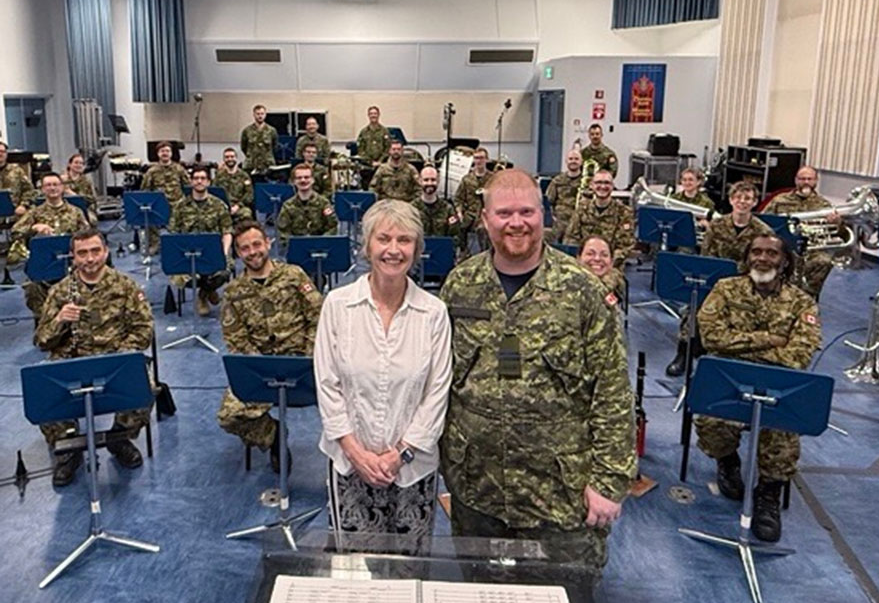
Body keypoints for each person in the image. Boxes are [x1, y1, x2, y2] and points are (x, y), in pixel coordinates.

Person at [439, 168, 636, 572]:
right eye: (504, 213)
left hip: (560, 495)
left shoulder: (582, 290)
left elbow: (613, 391)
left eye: (527, 212)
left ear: (544, 215)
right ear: (485, 219)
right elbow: (440, 383)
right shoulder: (461, 286)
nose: (516, 223)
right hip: (477, 487)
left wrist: (609, 482)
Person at [314, 200, 451, 549]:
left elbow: (437, 393)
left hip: (413, 468)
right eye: (383, 239)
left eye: (404, 240)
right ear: (366, 245)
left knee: (411, 567)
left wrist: (399, 454)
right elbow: (327, 385)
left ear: (417, 250)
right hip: (349, 464)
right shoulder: (337, 305)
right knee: (355, 571)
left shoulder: (434, 313)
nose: (393, 250)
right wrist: (356, 452)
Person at [696, 233, 821, 542]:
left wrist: (741, 346)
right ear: (747, 256)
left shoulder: (802, 302)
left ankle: (768, 492)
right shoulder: (725, 289)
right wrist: (769, 340)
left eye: (771, 253)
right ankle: (727, 462)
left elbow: (800, 354)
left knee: (781, 431)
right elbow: (711, 338)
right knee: (712, 422)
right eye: (756, 252)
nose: (763, 258)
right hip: (729, 379)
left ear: (784, 261)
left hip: (779, 385)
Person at [35, 228, 153, 487]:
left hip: (114, 360)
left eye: (95, 251)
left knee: (147, 388)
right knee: (43, 392)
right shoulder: (60, 291)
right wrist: (59, 320)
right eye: (82, 253)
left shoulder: (125, 286)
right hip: (72, 364)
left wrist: (120, 356)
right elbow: (42, 341)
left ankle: (119, 438)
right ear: (73, 257)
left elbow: (144, 330)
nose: (90, 259)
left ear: (106, 252)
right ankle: (68, 447)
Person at [217, 220, 322, 469]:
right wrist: (260, 368)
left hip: (302, 363)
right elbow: (235, 337)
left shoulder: (294, 275)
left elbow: (318, 317)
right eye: (244, 248)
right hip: (259, 368)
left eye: (257, 244)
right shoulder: (234, 291)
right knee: (229, 416)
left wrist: (307, 357)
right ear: (238, 253)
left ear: (268, 243)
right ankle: (273, 436)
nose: (253, 252)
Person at [665, 180, 770, 377]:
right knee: (692, 307)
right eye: (738, 197)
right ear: (731, 200)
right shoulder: (717, 226)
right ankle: (683, 354)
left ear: (754, 202)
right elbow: (707, 255)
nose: (742, 202)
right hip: (714, 282)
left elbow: (762, 265)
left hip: (745, 286)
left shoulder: (763, 232)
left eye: (747, 198)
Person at [12, 172, 89, 317]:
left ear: (62, 187)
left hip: (72, 263)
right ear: (42, 189)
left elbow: (87, 235)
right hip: (44, 264)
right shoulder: (35, 213)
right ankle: (45, 321)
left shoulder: (75, 212)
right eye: (48, 185)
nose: (52, 188)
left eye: (55, 184)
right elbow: (15, 232)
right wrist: (34, 228)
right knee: (32, 287)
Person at [763, 165, 839, 299]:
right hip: (784, 247)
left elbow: (836, 234)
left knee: (824, 261)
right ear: (795, 180)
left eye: (810, 179)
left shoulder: (824, 205)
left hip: (811, 249)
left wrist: (836, 223)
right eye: (802, 178)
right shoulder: (780, 200)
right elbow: (763, 221)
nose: (806, 182)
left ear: (816, 181)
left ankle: (808, 299)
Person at [168, 165, 233, 316]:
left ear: (209, 182)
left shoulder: (219, 205)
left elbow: (227, 232)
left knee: (224, 271)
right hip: (187, 254)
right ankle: (209, 290)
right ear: (191, 182)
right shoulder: (180, 207)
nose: (199, 181)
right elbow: (173, 234)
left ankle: (203, 294)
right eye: (196, 178)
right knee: (183, 277)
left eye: (203, 178)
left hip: (212, 252)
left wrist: (224, 252)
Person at [563, 170, 635, 266]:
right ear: (592, 185)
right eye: (598, 182)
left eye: (607, 183)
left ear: (612, 186)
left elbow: (625, 245)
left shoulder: (624, 212)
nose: (602, 186)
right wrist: (582, 260)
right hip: (583, 263)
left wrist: (605, 262)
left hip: (611, 265)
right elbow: (571, 238)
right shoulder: (582, 209)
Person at [140, 141, 189, 255]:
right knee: (148, 216)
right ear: (158, 154)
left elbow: (187, 187)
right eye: (162, 151)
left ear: (171, 153)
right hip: (158, 205)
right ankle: (155, 244)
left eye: (167, 151)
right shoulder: (152, 171)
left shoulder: (179, 169)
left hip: (177, 203)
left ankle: (179, 244)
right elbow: (145, 190)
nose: (165, 153)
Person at [276, 163, 336, 246]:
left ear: (313, 180)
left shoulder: (324, 203)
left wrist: (321, 242)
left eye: (306, 177)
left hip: (321, 248)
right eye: (299, 178)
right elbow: (283, 231)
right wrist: (295, 245)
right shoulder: (287, 206)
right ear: (294, 181)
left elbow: (332, 226)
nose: (303, 180)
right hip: (297, 248)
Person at [453, 147, 492, 252]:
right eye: (476, 158)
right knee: (456, 227)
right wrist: (459, 212)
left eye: (481, 158)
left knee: (483, 231)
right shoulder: (467, 179)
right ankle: (462, 254)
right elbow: (458, 198)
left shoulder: (492, 179)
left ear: (487, 159)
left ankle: (486, 254)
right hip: (469, 215)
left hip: (487, 215)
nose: (479, 161)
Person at [545, 149, 584, 242]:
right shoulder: (557, 180)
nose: (573, 161)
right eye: (570, 159)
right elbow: (548, 201)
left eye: (576, 159)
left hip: (580, 223)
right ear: (566, 161)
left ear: (581, 161)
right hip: (559, 223)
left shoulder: (587, 181)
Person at [414, 165, 459, 240]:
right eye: (426, 180)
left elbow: (455, 238)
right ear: (420, 181)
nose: (429, 183)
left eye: (433, 180)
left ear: (438, 181)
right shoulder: (412, 209)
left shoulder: (448, 209)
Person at [578, 235, 625, 306]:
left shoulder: (614, 284)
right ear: (578, 258)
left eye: (604, 255)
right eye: (590, 254)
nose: (597, 258)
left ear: (611, 261)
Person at [215, 147, 254, 222]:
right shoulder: (219, 176)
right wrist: (223, 206)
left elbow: (249, 195)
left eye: (232, 157)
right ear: (223, 159)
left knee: (247, 214)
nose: (230, 159)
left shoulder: (244, 175)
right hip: (222, 206)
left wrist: (238, 206)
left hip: (239, 207)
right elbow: (214, 192)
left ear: (236, 158)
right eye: (227, 157)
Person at [0, 140, 36, 219]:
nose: (0, 154)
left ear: (6, 154)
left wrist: (24, 205)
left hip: (15, 214)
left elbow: (29, 190)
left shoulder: (17, 171)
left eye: (3, 151)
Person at [240, 104, 277, 174]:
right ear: (254, 115)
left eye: (262, 114)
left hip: (267, 164)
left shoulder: (272, 131)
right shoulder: (247, 131)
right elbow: (243, 147)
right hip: (251, 165)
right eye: (258, 114)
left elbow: (275, 147)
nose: (260, 116)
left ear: (265, 115)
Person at [61, 153, 97, 224]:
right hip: (64, 209)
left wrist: (73, 194)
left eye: (81, 163)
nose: (79, 165)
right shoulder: (61, 180)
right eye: (76, 162)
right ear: (69, 164)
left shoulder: (87, 181)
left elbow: (92, 199)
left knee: (90, 220)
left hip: (84, 209)